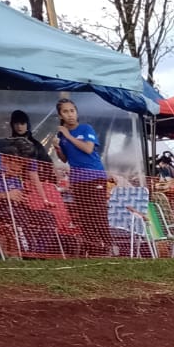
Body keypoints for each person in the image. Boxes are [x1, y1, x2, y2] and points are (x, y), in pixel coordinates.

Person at [53, 97, 109, 255]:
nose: (70, 114)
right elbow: (65, 159)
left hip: (95, 176)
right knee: (84, 216)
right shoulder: (61, 135)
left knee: (98, 213)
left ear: (76, 112)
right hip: (77, 180)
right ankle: (92, 250)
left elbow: (88, 149)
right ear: (60, 115)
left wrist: (69, 136)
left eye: (72, 111)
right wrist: (57, 148)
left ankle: (107, 248)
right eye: (65, 111)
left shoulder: (86, 129)